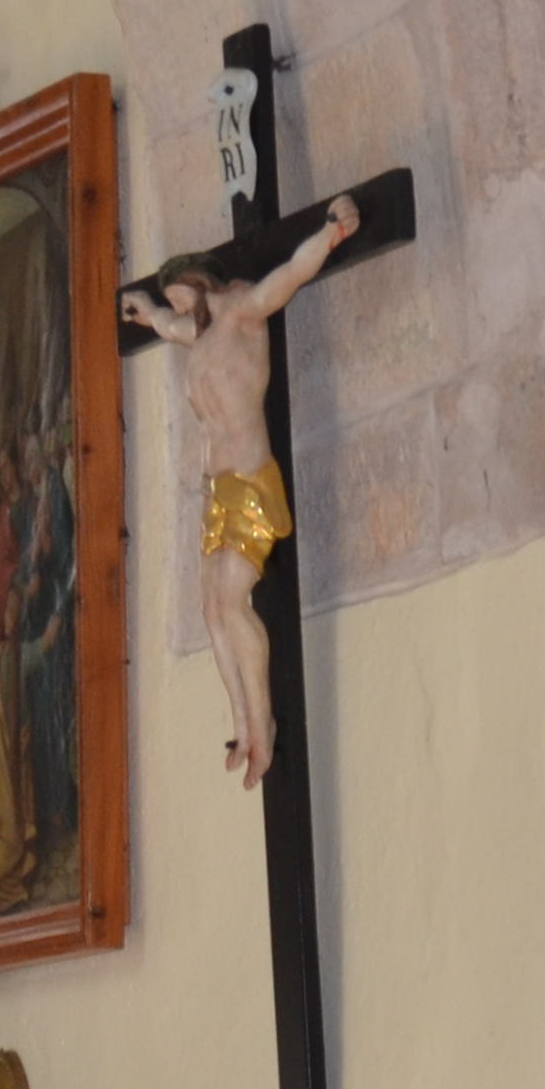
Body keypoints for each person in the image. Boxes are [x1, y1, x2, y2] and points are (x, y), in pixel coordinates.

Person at [119, 189, 355, 791]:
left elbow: (293, 272)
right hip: (216, 491)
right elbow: (164, 323)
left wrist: (332, 230)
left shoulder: (245, 311)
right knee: (210, 607)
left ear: (201, 284)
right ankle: (243, 726)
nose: (181, 312)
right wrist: (145, 310)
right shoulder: (197, 332)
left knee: (231, 600)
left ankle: (263, 722)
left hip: (250, 480)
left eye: (181, 297)